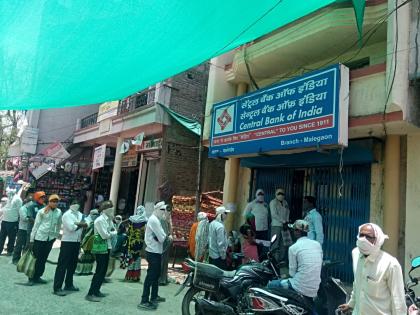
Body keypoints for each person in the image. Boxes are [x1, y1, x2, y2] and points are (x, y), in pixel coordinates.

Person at [338, 223, 407, 315]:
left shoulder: (390, 264)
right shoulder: (355, 254)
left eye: (368, 237)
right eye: (361, 235)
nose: (363, 239)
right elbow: (358, 283)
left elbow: (398, 300)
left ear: (377, 240)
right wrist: (351, 304)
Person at [267, 220, 323, 301]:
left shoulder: (293, 248)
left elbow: (292, 274)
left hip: (300, 287)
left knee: (271, 284)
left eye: (293, 230)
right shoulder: (317, 245)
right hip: (314, 288)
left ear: (297, 232)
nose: (292, 232)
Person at [138, 201, 170, 310]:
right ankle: (144, 300)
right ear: (156, 209)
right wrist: (164, 236)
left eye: (164, 210)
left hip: (156, 251)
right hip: (153, 252)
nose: (164, 212)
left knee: (155, 276)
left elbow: (162, 236)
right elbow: (162, 237)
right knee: (151, 276)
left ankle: (154, 296)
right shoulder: (154, 220)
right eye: (162, 210)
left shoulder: (156, 219)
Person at [53, 200, 87, 296]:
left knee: (72, 265)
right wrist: (81, 224)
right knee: (62, 265)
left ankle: (69, 284)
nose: (76, 204)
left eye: (78, 202)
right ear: (70, 204)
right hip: (67, 242)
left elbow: (87, 223)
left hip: (77, 242)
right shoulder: (67, 215)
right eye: (74, 202)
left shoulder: (80, 214)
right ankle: (57, 287)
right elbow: (71, 228)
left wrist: (78, 224)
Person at [28, 194, 63, 285]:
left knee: (43, 258)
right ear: (49, 202)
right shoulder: (42, 211)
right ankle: (31, 278)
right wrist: (32, 240)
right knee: (36, 258)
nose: (55, 203)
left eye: (56, 202)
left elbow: (59, 225)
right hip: (40, 238)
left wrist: (55, 236)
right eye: (53, 201)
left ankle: (38, 276)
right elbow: (36, 226)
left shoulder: (59, 212)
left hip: (50, 239)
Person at [86, 201, 117, 302]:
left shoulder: (108, 220)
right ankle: (91, 293)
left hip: (107, 246)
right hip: (100, 247)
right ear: (105, 210)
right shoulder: (99, 220)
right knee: (99, 270)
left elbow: (112, 229)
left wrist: (112, 230)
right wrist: (112, 233)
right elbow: (105, 235)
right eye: (110, 209)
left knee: (103, 271)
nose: (112, 210)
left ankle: (97, 290)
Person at [125, 205, 147, 282]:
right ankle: (135, 276)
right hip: (139, 242)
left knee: (133, 257)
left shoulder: (131, 219)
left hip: (132, 241)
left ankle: (130, 275)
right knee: (137, 257)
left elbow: (128, 231)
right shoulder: (144, 220)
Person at [0, 186, 24, 255]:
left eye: (7, 191)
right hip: (4, 221)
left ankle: (10, 251)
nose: (6, 193)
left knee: (11, 237)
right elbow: (6, 207)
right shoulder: (9, 198)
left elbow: (20, 210)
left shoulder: (17, 199)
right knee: (2, 237)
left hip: (12, 222)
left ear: (11, 191)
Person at [76, 209, 100, 275]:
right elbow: (83, 232)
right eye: (94, 214)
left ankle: (88, 270)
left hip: (92, 242)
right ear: (91, 214)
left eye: (97, 214)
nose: (96, 216)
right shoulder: (86, 220)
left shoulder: (96, 222)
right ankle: (79, 270)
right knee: (82, 256)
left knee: (90, 257)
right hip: (84, 241)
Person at [158, 204, 172, 286]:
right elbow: (163, 233)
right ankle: (161, 279)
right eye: (168, 211)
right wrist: (168, 237)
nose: (169, 213)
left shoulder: (167, 219)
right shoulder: (162, 219)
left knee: (165, 261)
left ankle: (163, 278)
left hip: (166, 242)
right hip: (163, 242)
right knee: (162, 261)